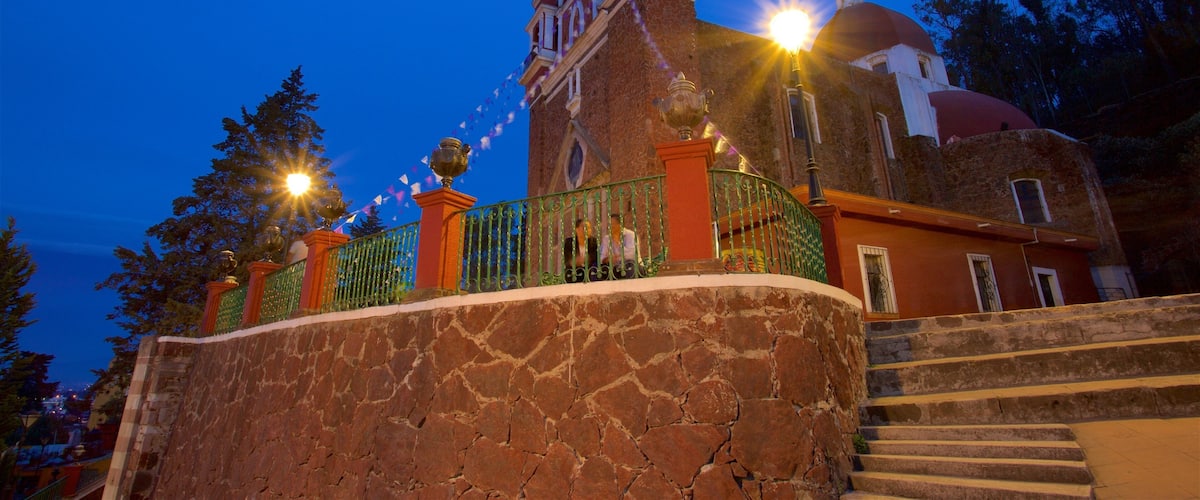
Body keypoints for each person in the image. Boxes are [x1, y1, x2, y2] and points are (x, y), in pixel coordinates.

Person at [599, 213, 638, 279]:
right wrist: (608, 259)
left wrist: (618, 243)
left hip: (631, 266)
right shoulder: (606, 238)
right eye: (609, 225)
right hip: (615, 267)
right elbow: (602, 257)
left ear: (620, 225)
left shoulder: (631, 235)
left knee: (630, 267)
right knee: (600, 271)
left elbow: (632, 255)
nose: (609, 227)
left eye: (612, 225)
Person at [563, 219, 599, 283]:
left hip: (589, 274)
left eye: (589, 228)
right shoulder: (569, 242)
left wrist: (587, 258)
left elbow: (596, 258)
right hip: (573, 274)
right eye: (584, 228)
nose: (588, 230)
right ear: (577, 229)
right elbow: (567, 260)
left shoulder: (593, 242)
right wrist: (575, 261)